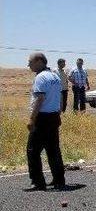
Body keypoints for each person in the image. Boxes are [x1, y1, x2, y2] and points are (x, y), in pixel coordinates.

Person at [25, 52, 66, 191]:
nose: (28, 65)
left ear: (39, 61)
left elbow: (39, 99)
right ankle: (59, 179)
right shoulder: (54, 75)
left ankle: (37, 181)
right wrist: (58, 112)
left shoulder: (40, 77)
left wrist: (32, 119)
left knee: (33, 150)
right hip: (54, 116)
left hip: (42, 118)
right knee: (53, 149)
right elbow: (59, 97)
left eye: (30, 62)